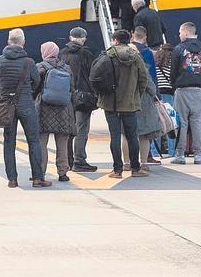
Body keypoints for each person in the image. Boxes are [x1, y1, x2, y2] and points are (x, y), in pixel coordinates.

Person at [90, 29, 149, 179]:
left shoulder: (108, 55)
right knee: (132, 136)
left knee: (115, 137)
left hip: (110, 103)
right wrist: (136, 96)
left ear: (115, 40)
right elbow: (143, 79)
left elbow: (97, 77)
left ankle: (117, 170)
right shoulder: (135, 56)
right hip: (130, 103)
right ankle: (136, 168)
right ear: (128, 40)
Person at [0, 28, 49, 188]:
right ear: (23, 42)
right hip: (25, 103)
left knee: (9, 142)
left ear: (8, 41)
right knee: (33, 140)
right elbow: (37, 80)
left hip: (6, 105)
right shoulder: (29, 62)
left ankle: (12, 179)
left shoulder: (0, 60)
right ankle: (38, 177)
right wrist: (28, 92)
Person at [59, 27, 98, 173]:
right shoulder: (86, 54)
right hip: (83, 97)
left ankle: (68, 160)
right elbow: (93, 74)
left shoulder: (62, 54)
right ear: (83, 38)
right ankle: (79, 160)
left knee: (69, 130)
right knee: (82, 129)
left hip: (66, 96)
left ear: (70, 38)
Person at [35, 41, 75, 182]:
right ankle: (63, 173)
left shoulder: (39, 67)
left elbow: (33, 88)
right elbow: (72, 88)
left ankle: (40, 172)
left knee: (41, 143)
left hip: (43, 109)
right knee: (62, 143)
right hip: (63, 109)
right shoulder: (66, 68)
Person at [170, 22, 201, 165]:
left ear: (185, 32)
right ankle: (198, 154)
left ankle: (180, 154)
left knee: (181, 123)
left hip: (182, 90)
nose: (179, 35)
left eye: (180, 32)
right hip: (198, 91)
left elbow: (173, 71)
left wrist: (175, 84)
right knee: (198, 123)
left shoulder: (179, 49)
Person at [131, 26, 162, 163]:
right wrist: (156, 94)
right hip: (144, 94)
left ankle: (130, 158)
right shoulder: (147, 53)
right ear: (145, 38)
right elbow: (151, 76)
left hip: (129, 93)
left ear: (133, 36)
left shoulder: (127, 50)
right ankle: (147, 156)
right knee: (148, 127)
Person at [154, 44, 177, 156]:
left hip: (157, 96)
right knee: (170, 124)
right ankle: (172, 151)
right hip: (170, 96)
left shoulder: (155, 65)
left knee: (157, 124)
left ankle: (155, 152)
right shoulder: (172, 65)